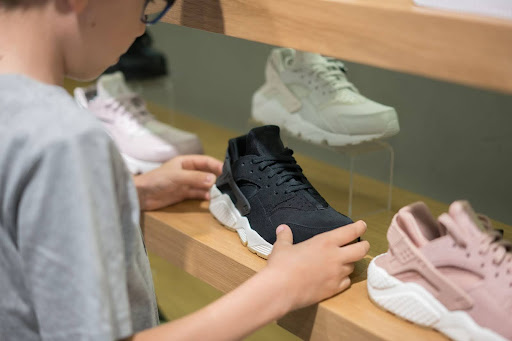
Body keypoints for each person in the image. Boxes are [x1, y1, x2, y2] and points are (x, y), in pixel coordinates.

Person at [0, 1, 370, 340]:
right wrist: (282, 288)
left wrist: (122, 193)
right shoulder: (68, 141)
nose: (142, 29)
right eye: (146, 5)